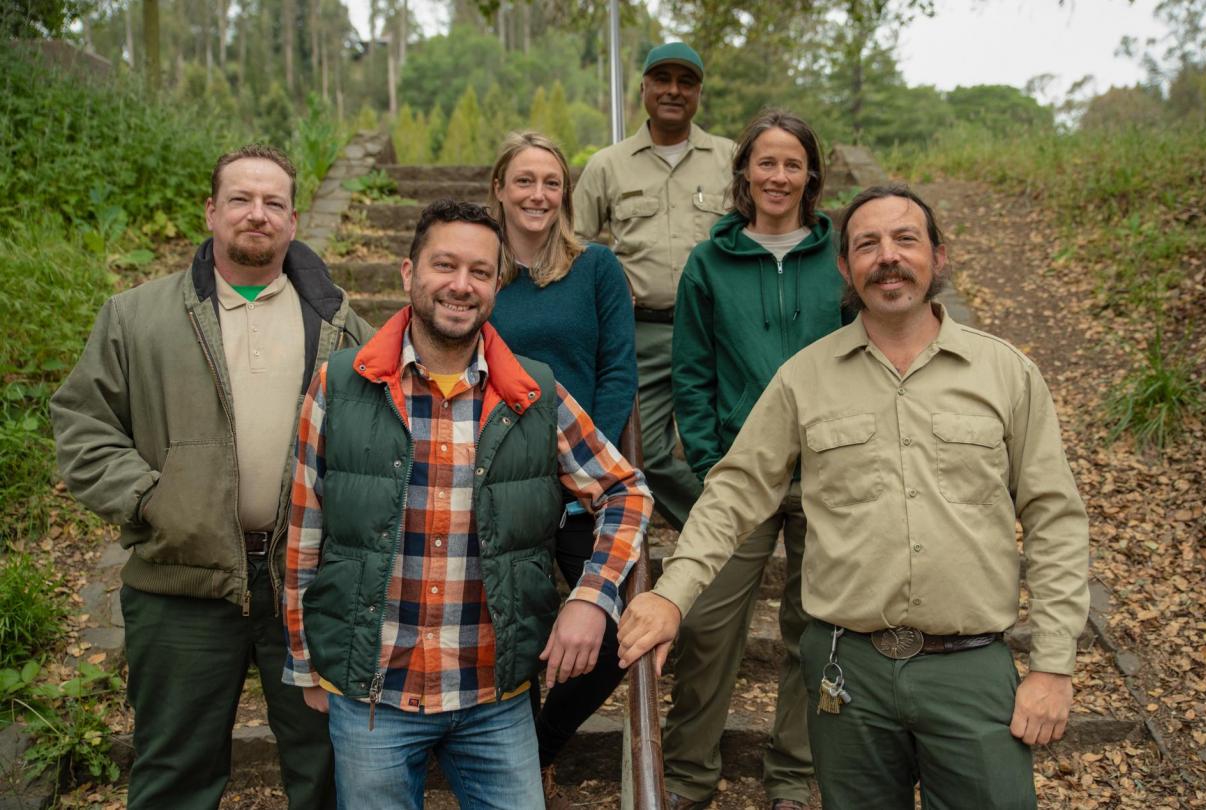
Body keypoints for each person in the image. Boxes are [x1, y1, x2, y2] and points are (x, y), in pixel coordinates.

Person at [618, 186, 1091, 809]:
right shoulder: (804, 378)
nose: (886, 257)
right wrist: (671, 596)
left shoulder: (1005, 373)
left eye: (905, 240)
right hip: (849, 672)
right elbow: (734, 492)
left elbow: (1054, 518)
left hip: (971, 670)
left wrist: (1054, 664)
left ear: (938, 257)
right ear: (845, 267)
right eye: (867, 244)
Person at [282, 199, 653, 810]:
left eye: (480, 272)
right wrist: (303, 663)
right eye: (444, 266)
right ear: (408, 273)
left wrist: (593, 594)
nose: (461, 285)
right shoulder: (340, 384)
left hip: (494, 696)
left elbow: (626, 490)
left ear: (496, 285)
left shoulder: (533, 392)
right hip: (372, 694)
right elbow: (304, 533)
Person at [50, 144, 373, 809]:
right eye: (240, 199)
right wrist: (149, 498)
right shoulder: (136, 318)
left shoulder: (339, 325)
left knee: (329, 771)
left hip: (309, 587)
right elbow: (82, 426)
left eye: (273, 202)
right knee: (176, 775)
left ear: (292, 218)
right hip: (180, 586)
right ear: (211, 211)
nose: (257, 215)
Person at [662, 110, 845, 810]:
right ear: (743, 173)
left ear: (810, 175)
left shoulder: (839, 258)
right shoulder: (709, 263)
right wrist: (711, 459)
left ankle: (793, 776)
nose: (777, 176)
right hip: (739, 473)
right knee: (706, 624)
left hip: (830, 477)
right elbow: (691, 372)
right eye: (764, 162)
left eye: (791, 163)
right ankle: (685, 775)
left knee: (815, 630)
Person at [485, 131, 639, 804]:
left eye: (550, 182)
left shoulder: (596, 268)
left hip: (580, 481)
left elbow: (617, 371)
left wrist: (585, 470)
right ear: (499, 189)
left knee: (614, 632)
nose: (537, 195)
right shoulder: (478, 270)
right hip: (494, 482)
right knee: (501, 623)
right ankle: (497, 755)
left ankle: (537, 745)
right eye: (523, 181)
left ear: (566, 194)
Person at [574, 41, 734, 530]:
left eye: (686, 82)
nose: (673, 90)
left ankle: (736, 534)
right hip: (645, 332)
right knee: (649, 451)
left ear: (699, 93)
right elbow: (571, 243)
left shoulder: (731, 158)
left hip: (719, 328)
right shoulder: (609, 165)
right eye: (661, 79)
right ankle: (724, 533)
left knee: (732, 445)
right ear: (643, 88)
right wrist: (606, 279)